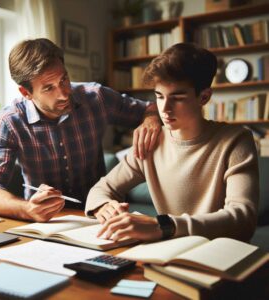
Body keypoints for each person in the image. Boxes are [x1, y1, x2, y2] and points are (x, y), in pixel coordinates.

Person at [85, 43, 259, 243]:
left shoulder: (236, 140)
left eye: (177, 98)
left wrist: (163, 226)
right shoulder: (151, 141)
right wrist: (104, 206)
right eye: (159, 96)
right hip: (169, 251)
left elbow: (243, 219)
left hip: (221, 254)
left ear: (204, 97)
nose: (165, 109)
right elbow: (101, 189)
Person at [0, 38, 161, 222]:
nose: (64, 94)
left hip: (103, 215)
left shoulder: (96, 97)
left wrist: (150, 120)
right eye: (49, 88)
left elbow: (150, 108)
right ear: (26, 93)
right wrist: (27, 209)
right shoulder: (8, 122)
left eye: (64, 79)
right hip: (48, 224)